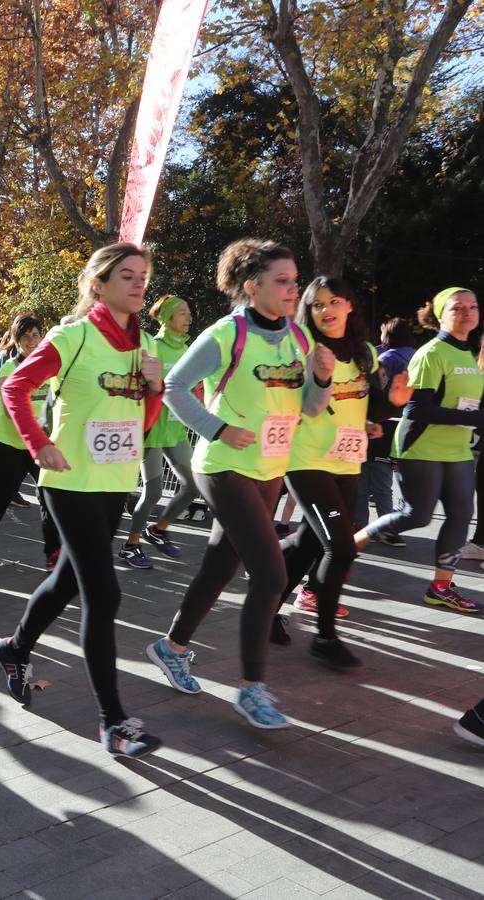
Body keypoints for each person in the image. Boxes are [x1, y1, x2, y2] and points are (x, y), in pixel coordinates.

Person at [149, 238, 334, 729]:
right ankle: (252, 690)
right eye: (283, 281)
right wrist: (218, 428)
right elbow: (173, 388)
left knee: (218, 567)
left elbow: (311, 408)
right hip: (224, 466)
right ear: (252, 287)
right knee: (272, 577)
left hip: (270, 469)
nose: (294, 289)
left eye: (296, 280)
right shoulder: (225, 334)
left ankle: (170, 647)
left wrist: (322, 377)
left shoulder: (298, 337)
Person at [0, 242, 166, 758]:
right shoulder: (74, 335)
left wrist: (154, 391)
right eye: (128, 276)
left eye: (143, 277)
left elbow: (143, 424)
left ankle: (14, 647)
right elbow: (15, 388)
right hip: (69, 483)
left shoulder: (143, 346)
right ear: (99, 284)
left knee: (68, 579)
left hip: (115, 481)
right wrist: (38, 443)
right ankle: (113, 721)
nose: (138, 285)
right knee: (103, 594)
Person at [274, 277, 409, 662]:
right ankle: (325, 638)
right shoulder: (301, 347)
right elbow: (297, 403)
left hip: (348, 461)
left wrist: (392, 402)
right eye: (317, 305)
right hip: (305, 459)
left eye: (335, 301)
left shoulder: (365, 352)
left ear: (350, 305)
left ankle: (266, 609)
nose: (326, 310)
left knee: (307, 544)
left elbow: (372, 406)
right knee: (340, 546)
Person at [354, 288, 483, 612]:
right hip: (422, 446)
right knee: (417, 516)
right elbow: (417, 409)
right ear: (441, 315)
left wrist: (474, 418)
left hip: (457, 450)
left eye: (473, 307)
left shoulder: (468, 353)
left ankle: (441, 586)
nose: (467, 312)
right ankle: (351, 543)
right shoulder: (432, 353)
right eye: (458, 308)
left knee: (461, 515)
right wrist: (470, 416)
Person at [0, 316, 61, 568]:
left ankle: (53, 551)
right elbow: (12, 413)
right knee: (1, 497)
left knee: (48, 497)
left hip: (40, 446)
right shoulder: (8, 371)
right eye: (25, 337)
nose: (32, 341)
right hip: (8, 445)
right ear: (16, 340)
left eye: (36, 335)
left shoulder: (51, 369)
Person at [120, 295, 199, 568]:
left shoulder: (190, 350)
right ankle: (131, 545)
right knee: (153, 493)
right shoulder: (152, 346)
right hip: (152, 430)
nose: (188, 317)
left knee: (193, 485)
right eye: (182, 312)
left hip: (175, 430)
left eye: (188, 312)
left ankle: (159, 529)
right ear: (166, 318)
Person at [357, 317, 415, 543]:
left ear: (388, 335)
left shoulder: (386, 357)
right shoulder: (415, 354)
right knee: (383, 480)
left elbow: (374, 390)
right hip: (400, 424)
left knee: (364, 480)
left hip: (377, 421)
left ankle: (362, 526)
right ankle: (388, 527)